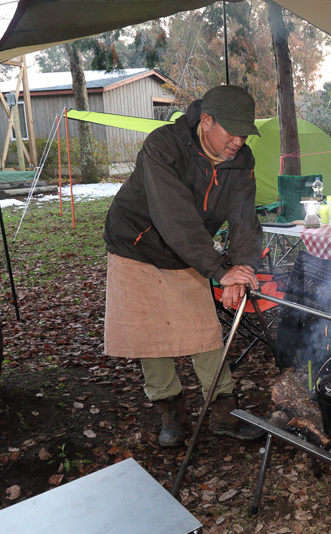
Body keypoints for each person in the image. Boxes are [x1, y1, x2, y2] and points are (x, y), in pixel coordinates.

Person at [103, 85, 266, 448]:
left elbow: (244, 219)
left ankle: (225, 412)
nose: (239, 141)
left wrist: (242, 269)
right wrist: (218, 269)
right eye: (232, 131)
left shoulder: (242, 160)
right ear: (206, 121)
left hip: (188, 250)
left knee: (204, 331)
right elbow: (173, 215)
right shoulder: (164, 145)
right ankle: (170, 410)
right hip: (137, 242)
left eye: (244, 133)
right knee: (150, 335)